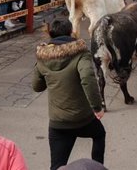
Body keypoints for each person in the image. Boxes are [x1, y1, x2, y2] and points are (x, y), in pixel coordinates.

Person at [32, 18, 106, 170]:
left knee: (57, 165)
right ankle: (97, 167)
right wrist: (97, 107)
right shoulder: (80, 53)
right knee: (99, 135)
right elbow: (88, 79)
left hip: (58, 122)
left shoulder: (42, 56)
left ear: (50, 34)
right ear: (71, 31)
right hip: (83, 119)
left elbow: (37, 86)